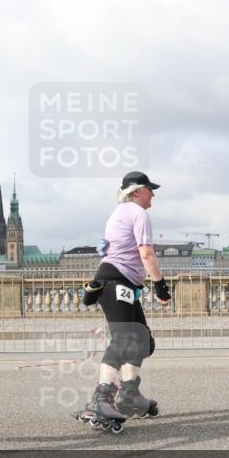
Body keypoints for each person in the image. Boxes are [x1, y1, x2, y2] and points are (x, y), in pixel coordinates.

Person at [75, 171, 171, 433]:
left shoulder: (119, 213)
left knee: (141, 341)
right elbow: (147, 252)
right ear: (137, 191)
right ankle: (101, 397)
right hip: (116, 281)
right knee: (124, 340)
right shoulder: (137, 213)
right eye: (150, 189)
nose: (153, 194)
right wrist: (161, 286)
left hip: (121, 282)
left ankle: (130, 394)